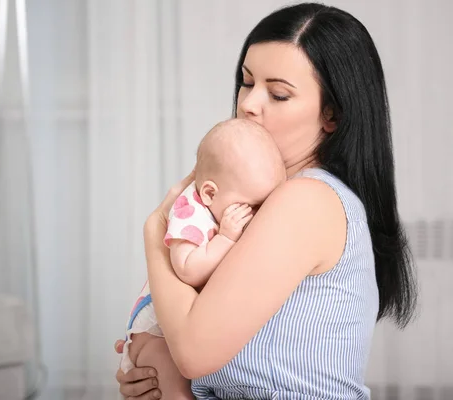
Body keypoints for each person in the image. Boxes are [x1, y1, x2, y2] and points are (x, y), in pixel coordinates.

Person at [115, 2, 417, 399]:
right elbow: (201, 354)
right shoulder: (262, 204)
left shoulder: (308, 200)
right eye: (247, 82)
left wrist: (155, 231)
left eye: (278, 94)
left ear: (332, 115)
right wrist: (152, 367)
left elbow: (192, 351)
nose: (248, 104)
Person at [120, 119, 285, 399]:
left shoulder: (224, 204)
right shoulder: (189, 211)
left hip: (180, 330)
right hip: (155, 332)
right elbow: (187, 269)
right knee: (176, 391)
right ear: (209, 193)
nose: (257, 216)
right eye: (250, 206)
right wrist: (225, 240)